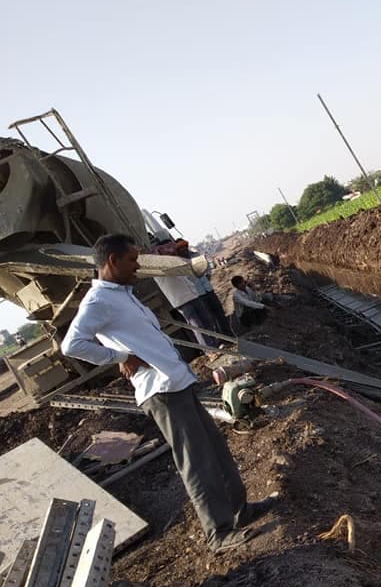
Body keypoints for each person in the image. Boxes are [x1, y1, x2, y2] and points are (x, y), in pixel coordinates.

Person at [62, 234, 278, 553]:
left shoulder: (123, 294)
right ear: (112, 261)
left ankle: (239, 510)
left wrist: (129, 354)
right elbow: (72, 344)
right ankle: (217, 532)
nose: (138, 266)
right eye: (132, 260)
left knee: (216, 449)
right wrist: (121, 358)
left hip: (178, 381)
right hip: (161, 391)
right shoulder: (98, 301)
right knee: (196, 460)